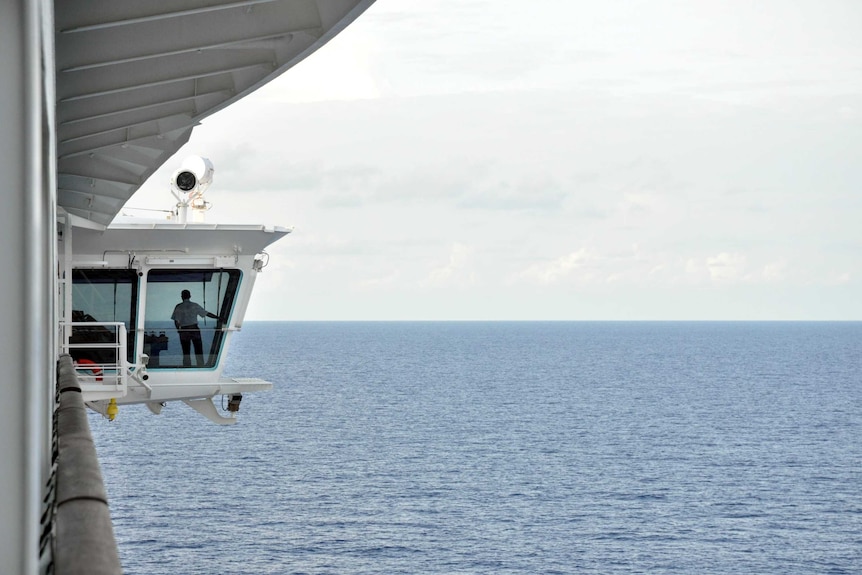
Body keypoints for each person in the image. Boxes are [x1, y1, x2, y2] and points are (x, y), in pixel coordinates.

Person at [171, 290, 219, 367]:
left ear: (182, 297)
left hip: (184, 330)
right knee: (198, 349)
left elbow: (176, 321)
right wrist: (218, 318)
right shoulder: (194, 305)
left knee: (186, 351)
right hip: (194, 329)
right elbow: (206, 313)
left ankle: (187, 366)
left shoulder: (179, 307)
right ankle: (200, 365)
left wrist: (179, 331)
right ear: (190, 296)